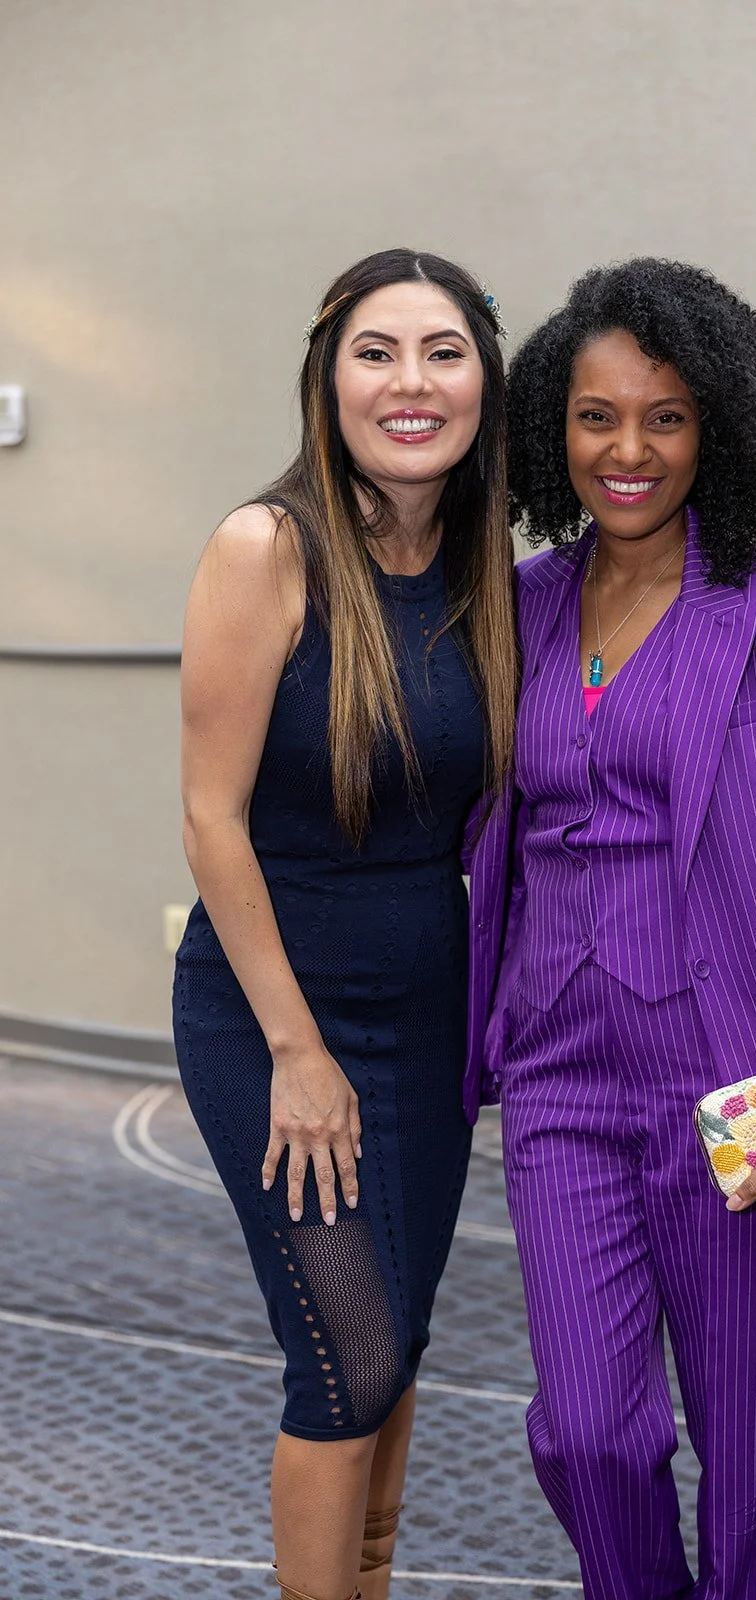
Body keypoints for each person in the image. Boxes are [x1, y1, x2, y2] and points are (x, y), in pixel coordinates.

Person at [465, 258, 756, 1600]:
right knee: (590, 1435)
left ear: (718, 428)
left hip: (742, 1071)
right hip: (557, 1075)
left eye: (664, 416)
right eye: (596, 417)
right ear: (555, 430)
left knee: (747, 1449)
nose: (629, 450)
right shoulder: (518, 601)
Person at [174, 248, 515, 1600]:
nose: (410, 382)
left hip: (426, 1015)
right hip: (275, 1014)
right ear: (329, 376)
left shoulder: (485, 564)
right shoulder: (268, 546)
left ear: (485, 380)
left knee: (404, 1342)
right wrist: (299, 1055)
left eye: (442, 351)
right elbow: (211, 819)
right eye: (378, 351)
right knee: (346, 1360)